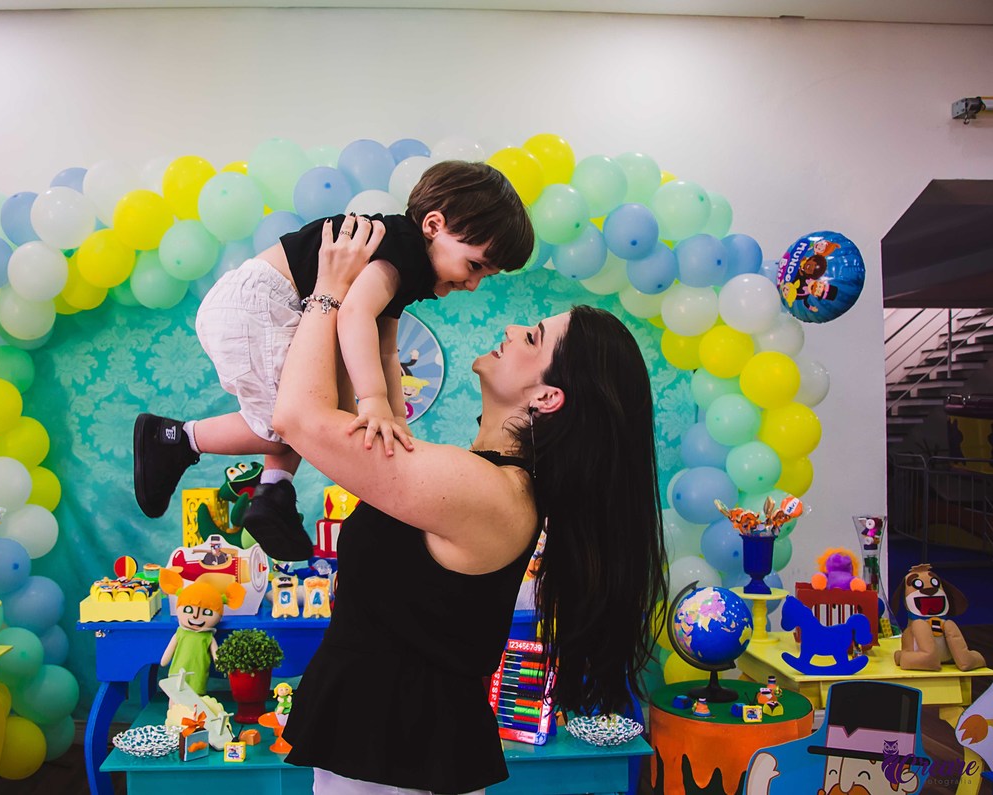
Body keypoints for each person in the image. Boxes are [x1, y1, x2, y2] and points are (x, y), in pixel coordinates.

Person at [272, 215, 667, 794]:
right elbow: (361, 410)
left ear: (547, 396)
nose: (511, 328)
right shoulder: (482, 479)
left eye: (532, 336)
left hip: (398, 758)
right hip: (380, 747)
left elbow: (298, 419)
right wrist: (374, 314)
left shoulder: (486, 493)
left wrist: (329, 290)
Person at [133, 161, 534, 562]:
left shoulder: (407, 259)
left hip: (266, 304)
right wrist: (374, 400)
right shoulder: (403, 250)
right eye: (475, 265)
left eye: (486, 276)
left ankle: (274, 493)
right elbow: (355, 314)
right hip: (258, 304)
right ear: (433, 225)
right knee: (303, 420)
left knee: (316, 407)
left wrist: (397, 421)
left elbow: (385, 348)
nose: (473, 283)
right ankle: (176, 438)